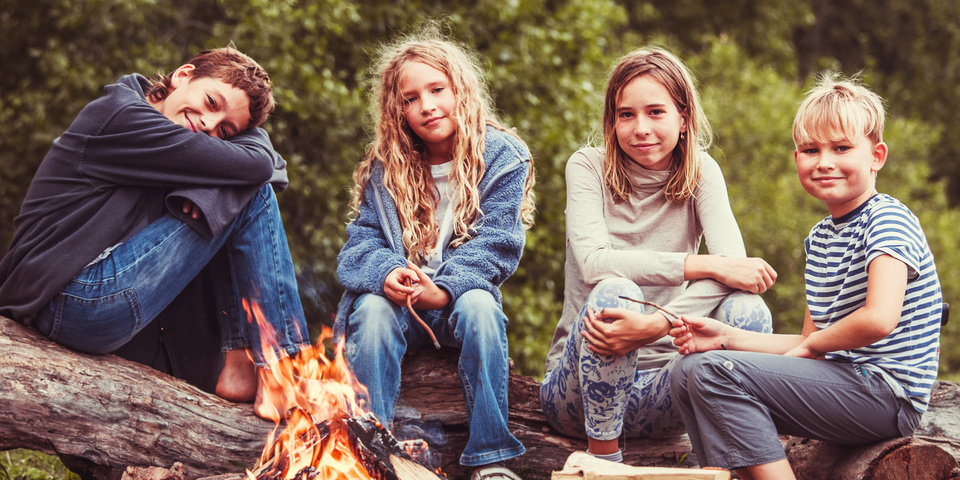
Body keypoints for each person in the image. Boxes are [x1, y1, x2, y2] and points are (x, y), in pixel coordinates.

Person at [0, 46, 311, 410]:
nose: (210, 125)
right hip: (72, 300)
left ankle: (241, 362)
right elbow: (260, 168)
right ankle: (279, 368)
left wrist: (251, 153)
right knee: (251, 193)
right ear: (183, 75)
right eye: (211, 102)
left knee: (232, 189)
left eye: (226, 130)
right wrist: (251, 160)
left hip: (87, 302)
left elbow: (259, 161)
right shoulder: (120, 117)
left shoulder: (165, 137)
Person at [669, 73, 943, 480]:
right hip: (845, 383)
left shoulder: (887, 219)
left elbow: (879, 319)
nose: (825, 161)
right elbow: (805, 341)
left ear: (877, 156)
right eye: (811, 150)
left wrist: (814, 346)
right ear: (797, 158)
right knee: (687, 369)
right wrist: (724, 338)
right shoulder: (819, 239)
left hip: (887, 395)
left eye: (842, 148)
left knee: (713, 372)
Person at [540, 47, 777, 463]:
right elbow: (595, 261)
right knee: (614, 291)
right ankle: (604, 463)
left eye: (656, 112)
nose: (641, 128)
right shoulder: (588, 166)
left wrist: (655, 325)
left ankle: (738, 461)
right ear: (612, 122)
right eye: (626, 114)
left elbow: (736, 271)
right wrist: (700, 263)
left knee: (747, 310)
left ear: (683, 119)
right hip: (576, 396)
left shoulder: (701, 172)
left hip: (664, 391)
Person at [334, 30, 535, 480]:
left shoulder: (502, 156)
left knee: (483, 308)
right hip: (400, 305)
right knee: (369, 308)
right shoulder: (387, 166)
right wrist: (385, 272)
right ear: (398, 110)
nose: (427, 105)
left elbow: (498, 244)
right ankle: (372, 452)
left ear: (460, 89)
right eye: (411, 98)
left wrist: (443, 290)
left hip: (457, 300)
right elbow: (358, 245)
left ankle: (492, 458)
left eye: (437, 89)